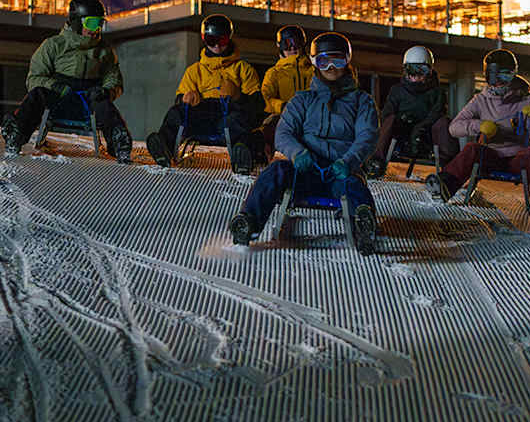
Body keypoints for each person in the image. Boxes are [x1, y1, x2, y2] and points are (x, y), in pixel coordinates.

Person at [229, 32, 379, 249]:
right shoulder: (303, 99)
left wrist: (349, 161)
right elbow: (284, 132)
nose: (330, 68)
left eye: (336, 60)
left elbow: (367, 136)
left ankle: (364, 227)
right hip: (305, 169)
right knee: (276, 170)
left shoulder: (361, 101)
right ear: (314, 63)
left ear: (346, 61)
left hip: (340, 172)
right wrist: (297, 153)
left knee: (354, 186)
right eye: (323, 61)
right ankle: (248, 221)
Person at [426, 48, 530, 215]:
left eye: (505, 76)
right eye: (494, 77)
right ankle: (445, 184)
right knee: (472, 149)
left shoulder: (527, 99)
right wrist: (480, 125)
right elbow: (454, 128)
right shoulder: (480, 100)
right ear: (487, 76)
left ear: (513, 75)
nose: (499, 82)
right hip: (490, 155)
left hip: (517, 158)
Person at [1, 0, 133, 162]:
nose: (96, 29)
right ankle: (16, 133)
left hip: (87, 103)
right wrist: (54, 86)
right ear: (77, 22)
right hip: (59, 99)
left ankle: (119, 141)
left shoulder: (104, 51)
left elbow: (114, 78)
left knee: (103, 103)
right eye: (91, 23)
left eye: (100, 24)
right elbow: (34, 77)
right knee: (38, 94)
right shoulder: (54, 45)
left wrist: (105, 91)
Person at [146, 14, 262, 174]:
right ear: (203, 39)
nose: (216, 46)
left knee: (236, 121)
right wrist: (185, 99)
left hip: (227, 114)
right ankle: (163, 144)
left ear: (229, 38)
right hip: (202, 113)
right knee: (176, 113)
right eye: (211, 41)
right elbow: (179, 100)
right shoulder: (195, 71)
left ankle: (242, 153)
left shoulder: (243, 69)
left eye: (221, 41)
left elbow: (257, 106)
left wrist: (238, 96)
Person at [365, 44, 458, 177]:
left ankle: (450, 168)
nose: (415, 76)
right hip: (402, 130)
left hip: (426, 131)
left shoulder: (437, 93)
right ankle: (376, 160)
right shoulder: (397, 90)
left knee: (444, 123)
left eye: (421, 71)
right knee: (389, 120)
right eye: (410, 70)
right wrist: (401, 117)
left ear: (430, 71)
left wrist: (420, 128)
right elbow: (386, 113)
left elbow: (437, 113)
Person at [256, 24, 313, 162]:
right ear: (280, 46)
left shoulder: (313, 71)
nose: (292, 48)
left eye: (296, 43)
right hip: (284, 116)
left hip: (310, 117)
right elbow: (264, 97)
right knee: (270, 124)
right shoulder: (275, 73)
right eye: (287, 44)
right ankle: (259, 153)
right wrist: (281, 106)